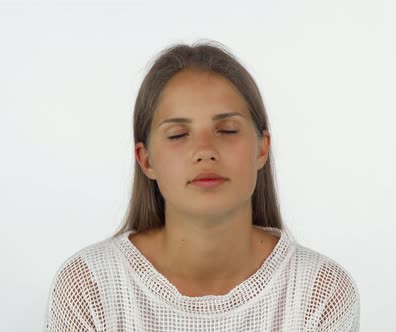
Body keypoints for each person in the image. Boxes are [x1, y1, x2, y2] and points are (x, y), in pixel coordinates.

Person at [44, 40, 360, 331]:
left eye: (227, 130)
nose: (205, 151)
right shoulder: (89, 288)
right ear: (147, 160)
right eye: (178, 135)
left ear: (262, 148)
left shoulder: (320, 293)